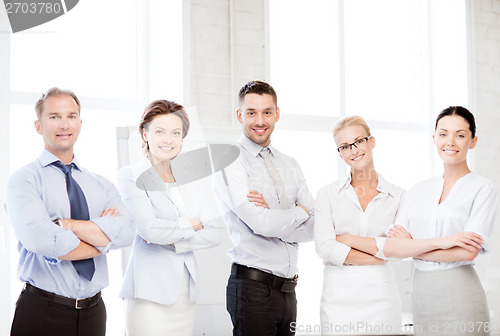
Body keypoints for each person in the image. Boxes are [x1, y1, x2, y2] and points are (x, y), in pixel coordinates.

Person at [5, 87, 134, 336]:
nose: (64, 124)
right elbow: (41, 240)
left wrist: (65, 225)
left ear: (80, 123)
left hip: (94, 312)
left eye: (71, 116)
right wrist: (103, 238)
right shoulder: (24, 180)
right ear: (38, 126)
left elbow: (127, 232)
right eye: (54, 116)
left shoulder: (100, 184)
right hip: (42, 311)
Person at [381, 106, 497, 335]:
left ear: (473, 141)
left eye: (460, 135)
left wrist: (412, 247)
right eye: (443, 134)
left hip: (462, 293)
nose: (450, 141)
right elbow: (392, 248)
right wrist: (446, 242)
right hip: (422, 296)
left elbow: (467, 252)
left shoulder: (483, 188)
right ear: (434, 138)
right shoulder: (417, 191)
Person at [213, 80, 314, 336]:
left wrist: (276, 219)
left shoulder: (290, 163)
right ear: (239, 115)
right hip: (252, 290)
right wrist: (298, 213)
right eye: (251, 113)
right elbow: (261, 223)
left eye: (267, 112)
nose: (260, 120)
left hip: (289, 293)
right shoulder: (229, 161)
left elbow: (314, 226)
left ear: (277, 114)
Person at [117, 99, 221, 336]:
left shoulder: (192, 178)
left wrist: (175, 239)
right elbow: (149, 230)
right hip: (148, 293)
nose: (169, 140)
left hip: (186, 292)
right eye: (160, 132)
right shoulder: (131, 175)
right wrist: (192, 225)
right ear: (144, 134)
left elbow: (214, 233)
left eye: (176, 133)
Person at [314, 115, 403, 335]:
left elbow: (400, 250)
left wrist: (346, 240)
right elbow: (324, 248)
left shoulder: (399, 196)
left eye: (359, 141)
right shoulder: (327, 194)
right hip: (338, 298)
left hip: (382, 298)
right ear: (340, 153)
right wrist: (379, 255)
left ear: (371, 142)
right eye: (345, 146)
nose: (354, 150)